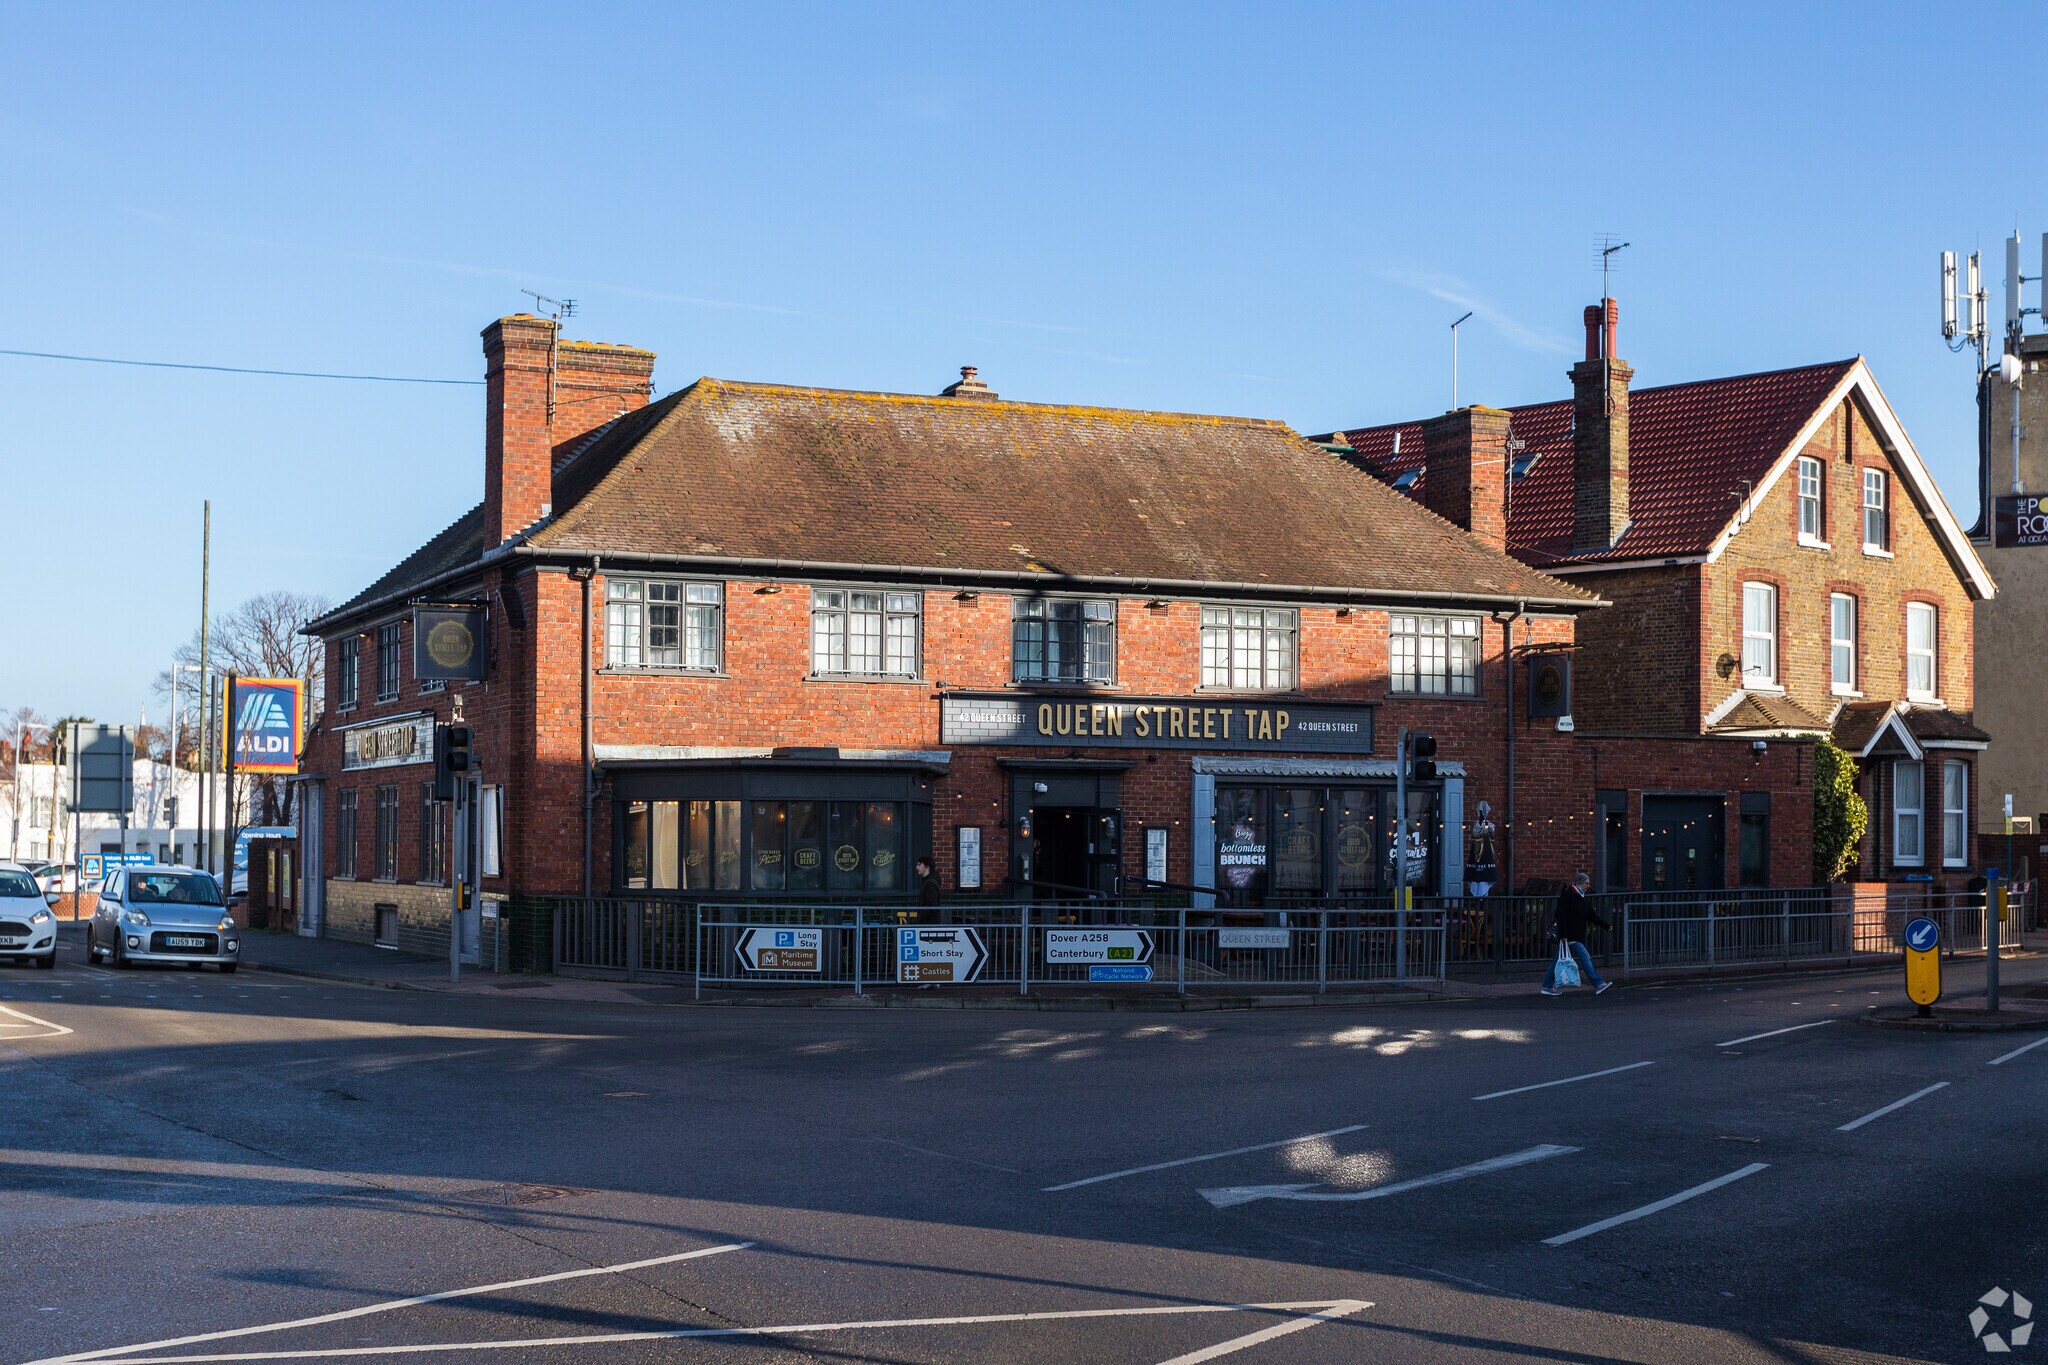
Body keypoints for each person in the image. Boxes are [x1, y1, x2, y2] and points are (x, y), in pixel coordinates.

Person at [1542, 872, 1613, 996]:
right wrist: (1563, 934)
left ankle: (1547, 986)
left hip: (1571, 935)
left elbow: (1591, 916)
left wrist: (1605, 925)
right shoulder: (1569, 895)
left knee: (1558, 961)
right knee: (1585, 957)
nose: (1588, 886)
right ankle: (1598, 983)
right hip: (1570, 935)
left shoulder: (1581, 897)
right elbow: (1561, 915)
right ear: (1579, 883)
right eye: (1586, 883)